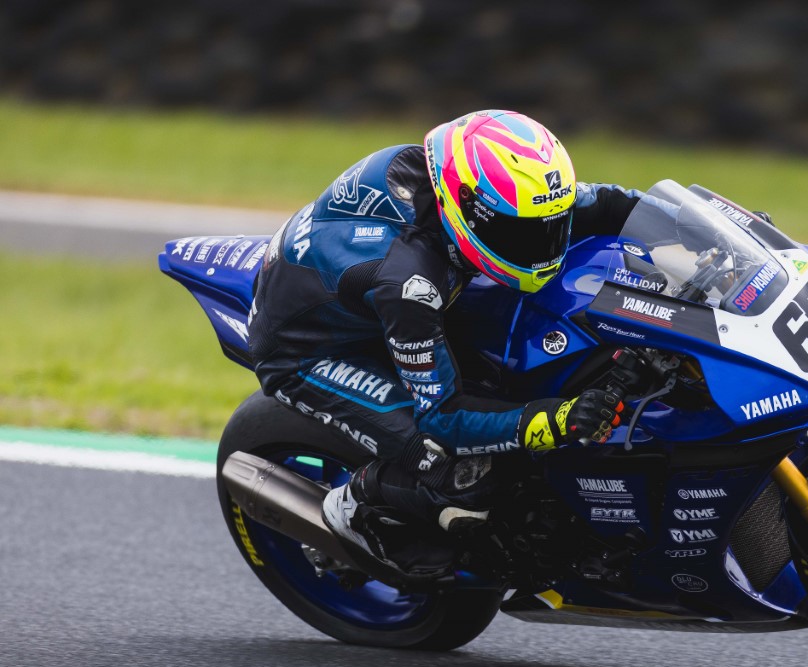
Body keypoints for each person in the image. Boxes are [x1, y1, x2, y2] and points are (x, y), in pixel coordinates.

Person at [247, 109, 638, 578]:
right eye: (521, 234)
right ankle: (352, 509)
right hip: (311, 353)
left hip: (376, 299)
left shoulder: (492, 194)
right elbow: (444, 417)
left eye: (549, 227)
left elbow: (608, 204)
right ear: (464, 208)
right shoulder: (409, 282)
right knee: (459, 469)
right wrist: (555, 420)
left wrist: (708, 230)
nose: (543, 247)